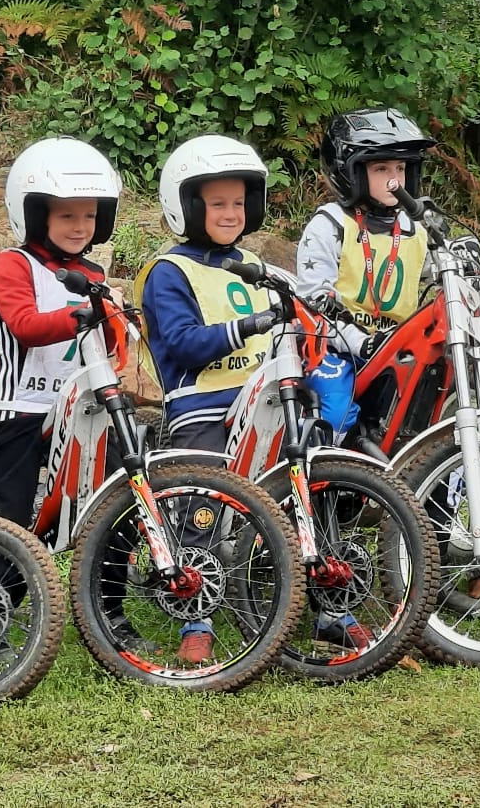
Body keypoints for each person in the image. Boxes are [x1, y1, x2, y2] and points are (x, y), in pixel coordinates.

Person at [137, 134, 277, 663]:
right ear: (188, 206)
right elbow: (181, 343)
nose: (231, 213)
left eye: (239, 202)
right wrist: (247, 326)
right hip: (203, 407)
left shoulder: (254, 263)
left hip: (262, 404)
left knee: (297, 495)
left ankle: (320, 606)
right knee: (203, 510)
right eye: (217, 203)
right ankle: (194, 618)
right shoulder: (169, 271)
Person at [0, 137, 121, 534]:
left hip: (78, 404)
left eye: (89, 216)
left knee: (117, 486)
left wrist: (118, 319)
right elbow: (26, 326)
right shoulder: (12, 264)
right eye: (67, 216)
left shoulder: (93, 274)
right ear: (37, 216)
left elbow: (106, 345)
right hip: (20, 406)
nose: (80, 227)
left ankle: (106, 569)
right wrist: (89, 312)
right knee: (11, 513)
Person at [294, 108, 434, 451]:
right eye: (381, 169)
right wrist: (359, 342)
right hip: (335, 347)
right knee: (334, 411)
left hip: (397, 349)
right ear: (350, 173)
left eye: (400, 168)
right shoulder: (330, 225)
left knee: (435, 402)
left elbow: (441, 273)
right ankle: (312, 476)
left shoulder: (417, 229)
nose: (394, 180)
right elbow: (313, 303)